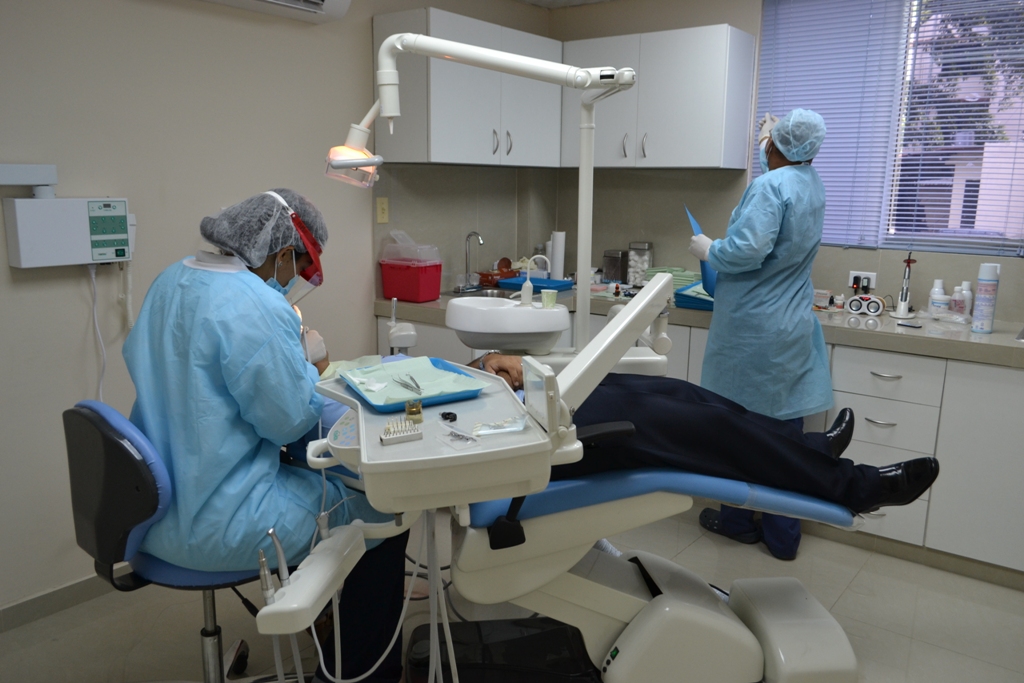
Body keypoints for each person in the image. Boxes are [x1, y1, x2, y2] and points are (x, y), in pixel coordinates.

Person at [123, 189, 404, 683]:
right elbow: (290, 422)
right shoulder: (255, 303)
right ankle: (359, 672)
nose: (297, 278)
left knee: (315, 486)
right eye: (301, 265)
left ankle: (324, 623)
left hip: (151, 512)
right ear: (281, 252)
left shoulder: (172, 279)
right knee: (383, 513)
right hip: (223, 521)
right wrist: (309, 365)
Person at [476, 354, 939, 517]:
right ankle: (857, 486)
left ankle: (808, 446)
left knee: (682, 393)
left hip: (519, 410)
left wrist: (488, 365)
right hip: (527, 441)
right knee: (711, 430)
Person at [688, 108, 836, 560]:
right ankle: (783, 537)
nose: (763, 143)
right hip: (791, 320)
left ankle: (736, 522)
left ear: (777, 145)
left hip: (755, 327)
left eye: (768, 139)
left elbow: (748, 249)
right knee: (784, 434)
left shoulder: (771, 186)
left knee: (739, 428)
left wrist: (710, 250)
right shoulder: (812, 184)